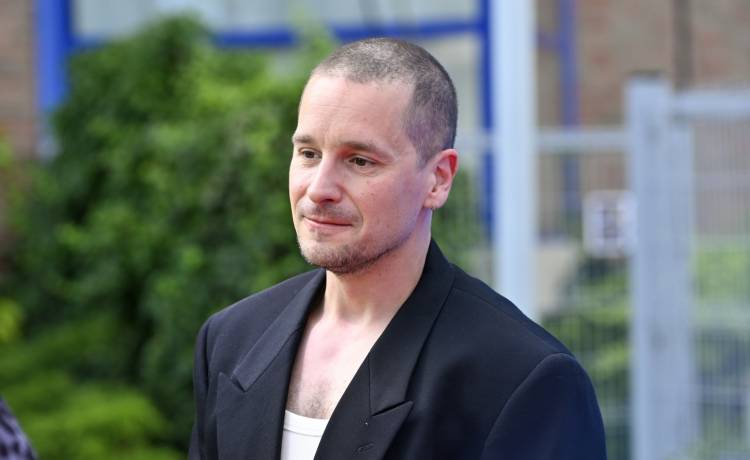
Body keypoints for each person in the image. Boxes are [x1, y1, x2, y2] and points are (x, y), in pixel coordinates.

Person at [189, 37, 606, 460]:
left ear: (438, 179)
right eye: (309, 153)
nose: (318, 189)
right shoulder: (231, 339)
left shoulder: (522, 378)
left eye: (360, 161)